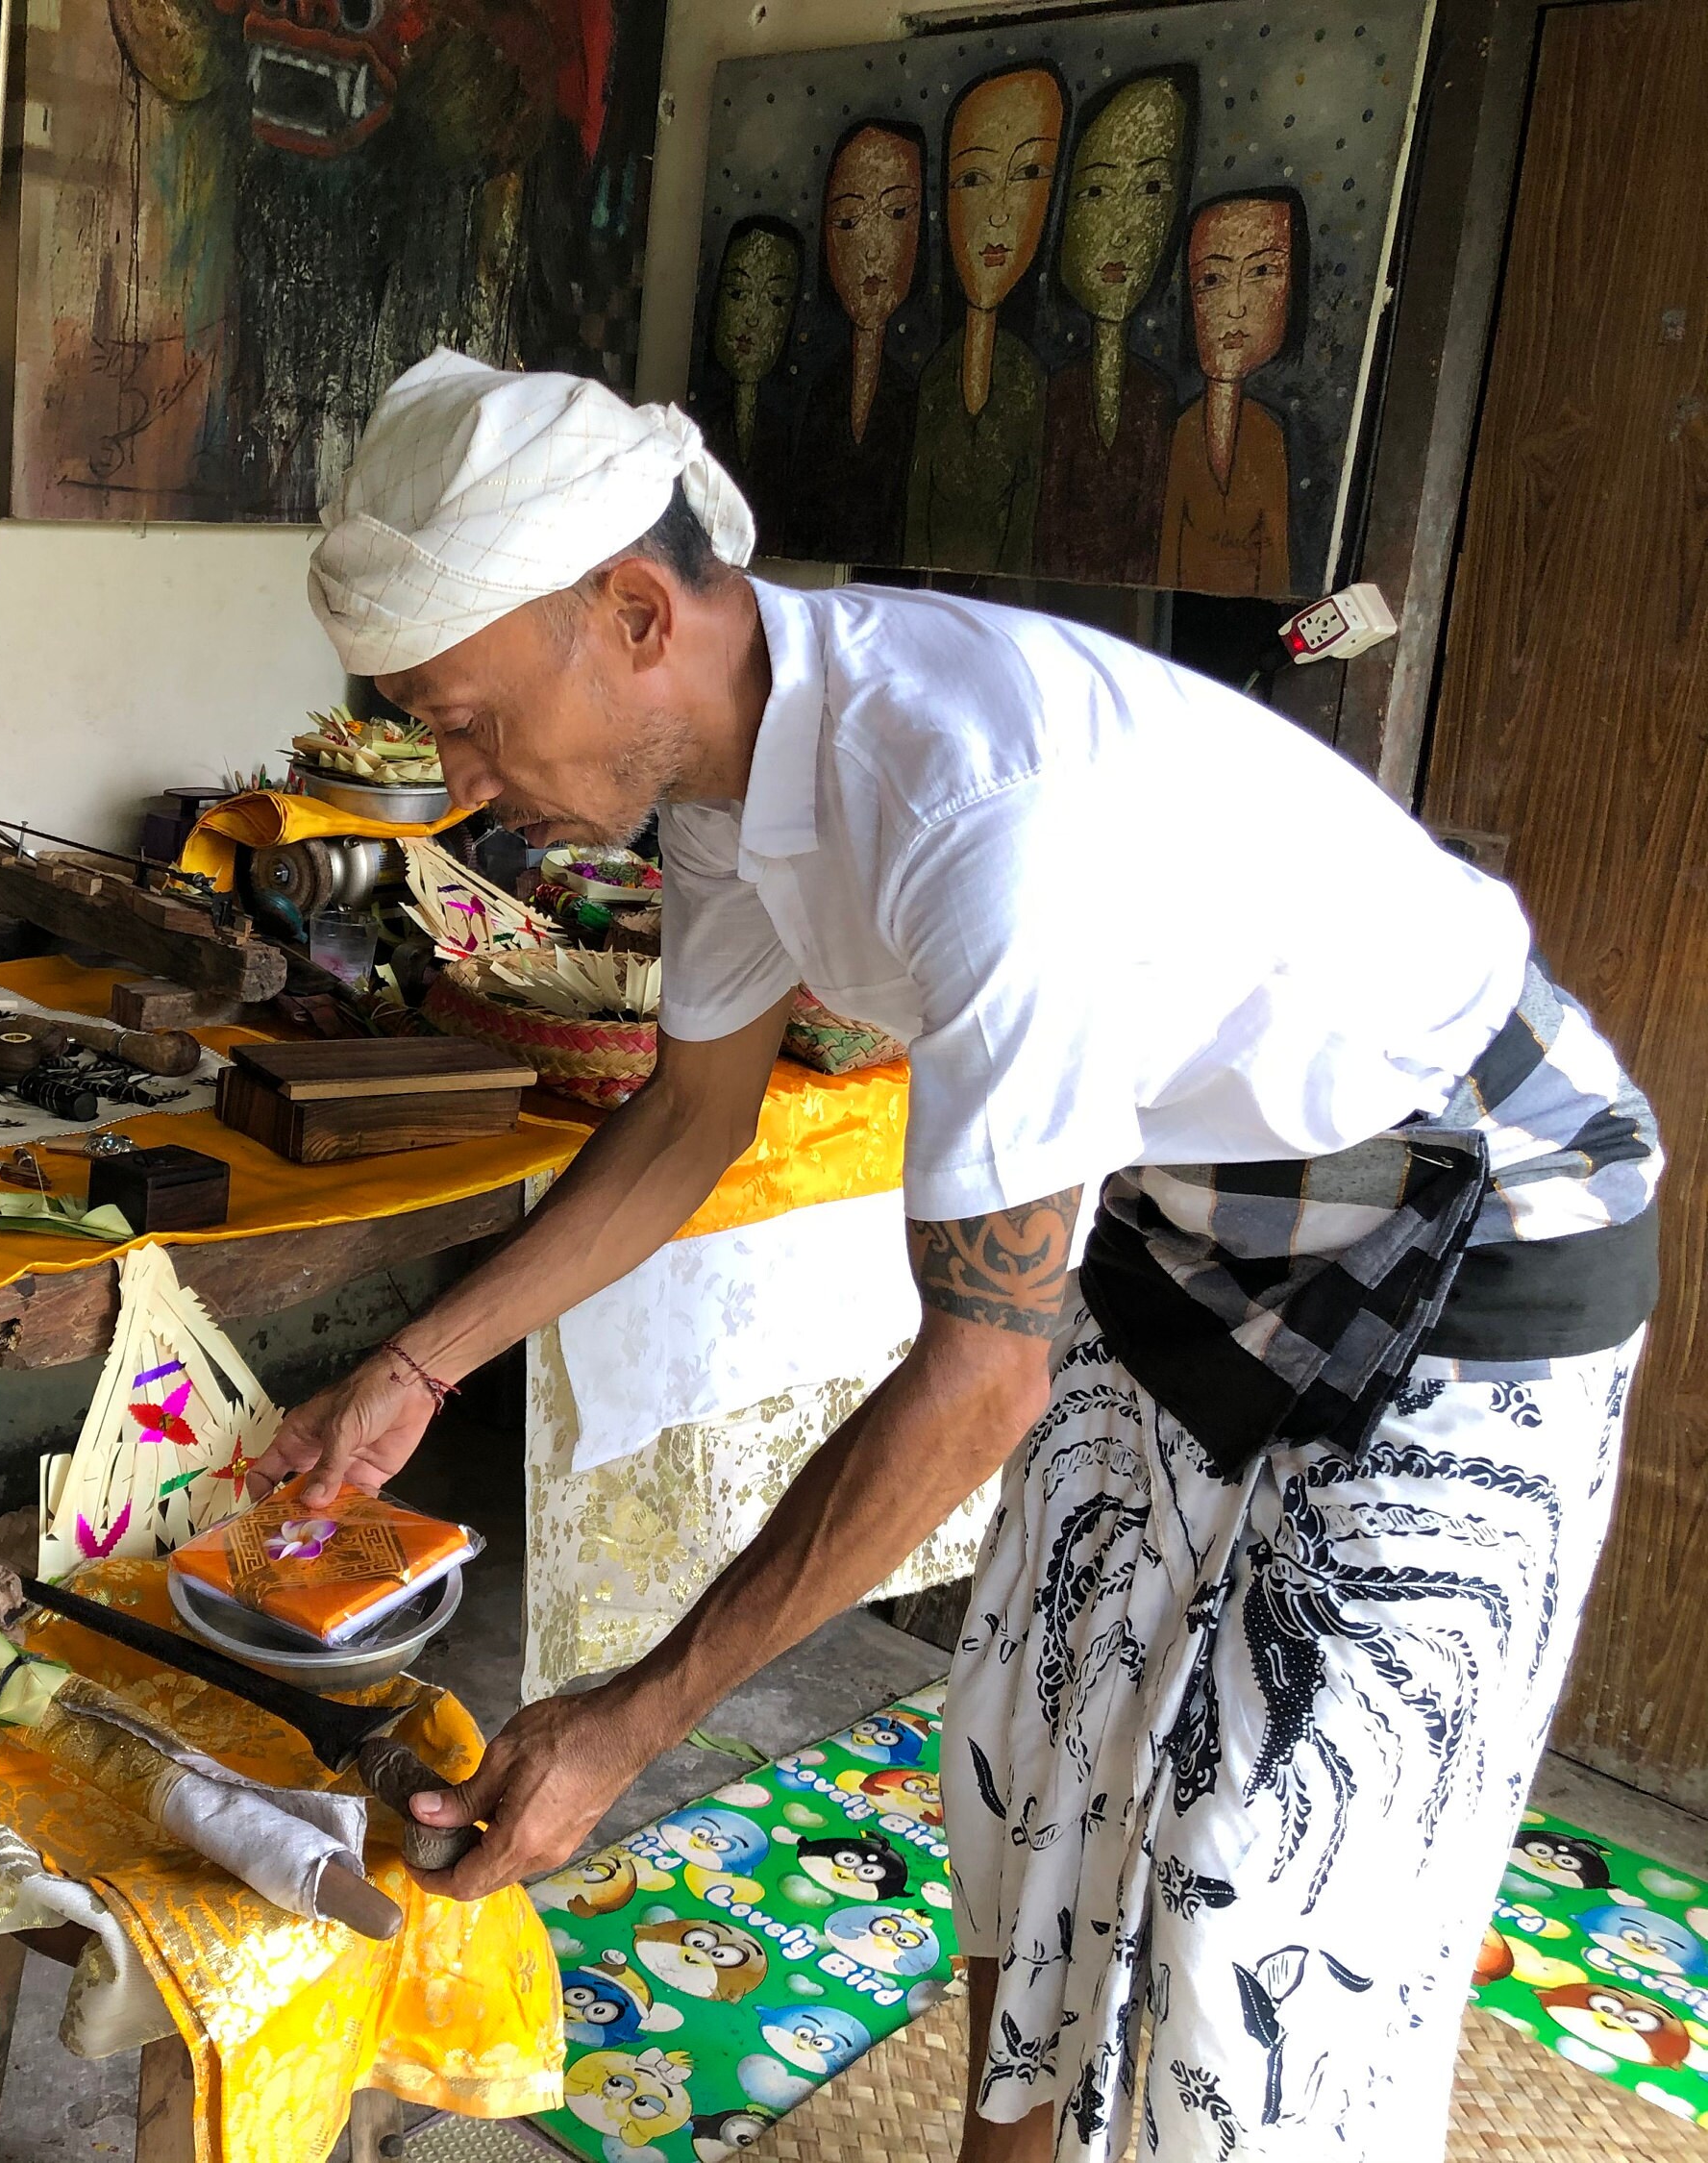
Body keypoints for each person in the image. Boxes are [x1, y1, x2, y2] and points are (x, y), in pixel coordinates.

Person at [283, 347, 1660, 2163]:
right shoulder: (712, 777)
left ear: (631, 612)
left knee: (1266, 1894)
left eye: (462, 719)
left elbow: (980, 1371)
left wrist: (627, 1720)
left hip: (1475, 1218)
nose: (455, 782)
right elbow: (692, 1120)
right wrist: (414, 1364)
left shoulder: (966, 803)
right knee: (1034, 1754)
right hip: (1194, 1211)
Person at [1036, 70, 1189, 584]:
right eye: (1097, 191)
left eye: (1149, 188)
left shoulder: (1158, 399)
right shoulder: (1053, 394)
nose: (1121, 231)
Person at [904, 65, 1059, 574]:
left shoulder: (1032, 384)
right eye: (973, 180)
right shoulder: (932, 380)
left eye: (1028, 174)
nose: (997, 215)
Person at [786, 120, 922, 565]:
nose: (871, 250)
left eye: (898, 213)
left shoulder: (921, 395)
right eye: (848, 222)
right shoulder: (820, 394)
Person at [1159, 193, 1298, 595]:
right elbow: (1165, 558)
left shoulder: (1268, 433)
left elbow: (1276, 565)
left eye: (1261, 271)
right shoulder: (1182, 431)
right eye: (1212, 280)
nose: (1235, 307)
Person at [702, 217, 802, 519]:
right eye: (738, 293)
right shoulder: (692, 425)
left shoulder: (790, 433)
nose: (752, 318)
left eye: (775, 299)